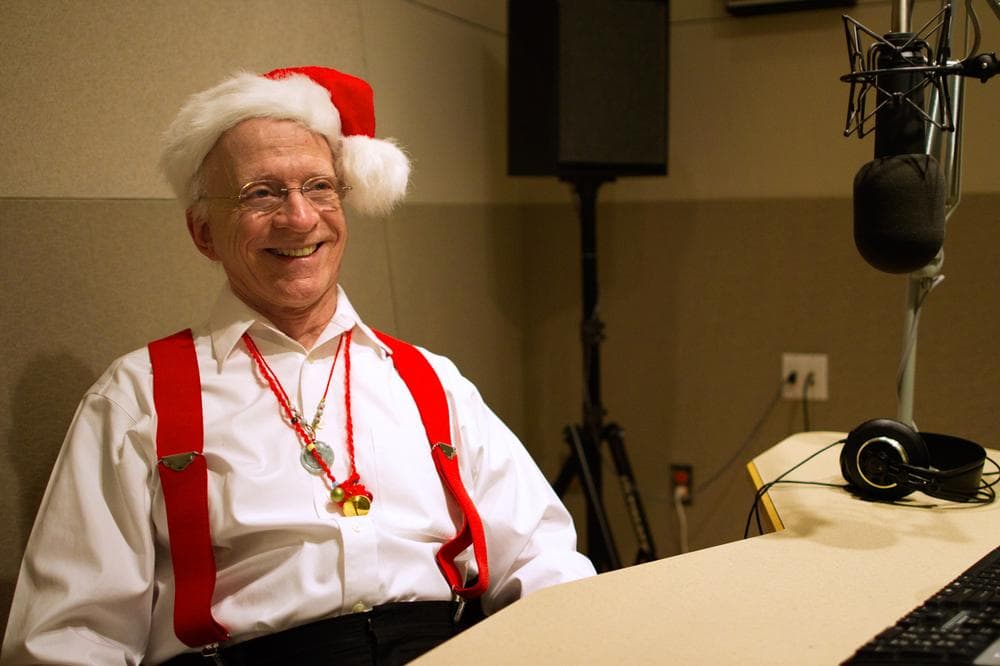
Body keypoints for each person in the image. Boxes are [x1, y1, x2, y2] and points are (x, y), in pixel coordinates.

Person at [1, 66, 595, 665]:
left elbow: (544, 563)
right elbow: (70, 642)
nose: (299, 218)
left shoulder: (429, 380)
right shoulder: (137, 398)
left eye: (318, 187)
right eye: (261, 193)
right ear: (204, 232)